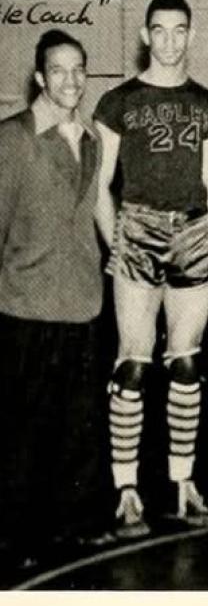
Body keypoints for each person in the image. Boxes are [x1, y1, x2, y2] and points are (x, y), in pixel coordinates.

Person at [94, 0, 208, 537]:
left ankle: (182, 482)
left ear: (190, 35)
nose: (170, 41)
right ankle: (126, 490)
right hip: (137, 230)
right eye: (160, 30)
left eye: (180, 31)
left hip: (191, 232)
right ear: (146, 35)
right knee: (133, 361)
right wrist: (119, 241)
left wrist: (195, 232)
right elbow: (100, 185)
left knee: (187, 362)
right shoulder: (118, 101)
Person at [0, 30, 108, 566]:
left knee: (76, 423)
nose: (71, 80)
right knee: (25, 428)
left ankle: (73, 525)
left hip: (81, 300)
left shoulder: (92, 137)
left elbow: (89, 214)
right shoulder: (13, 138)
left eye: (79, 69)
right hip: (25, 304)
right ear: (40, 77)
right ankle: (17, 535)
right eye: (59, 70)